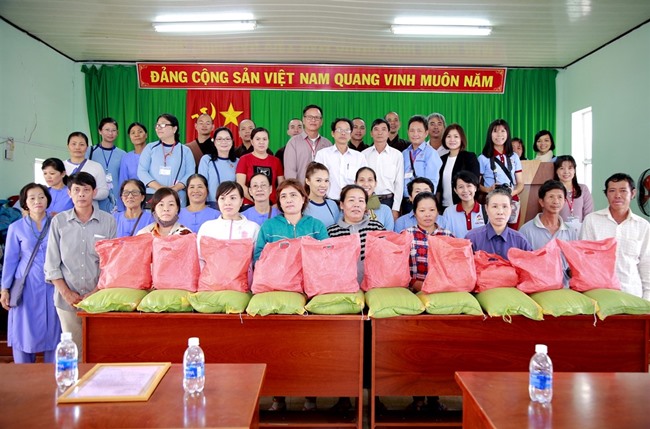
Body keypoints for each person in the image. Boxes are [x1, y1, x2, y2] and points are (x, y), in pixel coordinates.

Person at [45, 172, 117, 356]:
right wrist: (66, 293)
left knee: (99, 350)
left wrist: (96, 292)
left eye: (86, 190)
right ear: (69, 193)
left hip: (99, 298)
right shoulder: (59, 221)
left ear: (94, 192)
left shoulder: (108, 221)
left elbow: (111, 263)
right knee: (74, 351)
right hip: (67, 300)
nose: (81, 194)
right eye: (76, 190)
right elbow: (52, 263)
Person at [1, 183, 61, 363]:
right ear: (25, 202)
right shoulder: (16, 227)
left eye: (41, 197)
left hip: (53, 283)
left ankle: (52, 372)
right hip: (26, 284)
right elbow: (10, 260)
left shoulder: (57, 223)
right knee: (24, 329)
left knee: (54, 328)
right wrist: (4, 288)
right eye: (32, 198)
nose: (37, 201)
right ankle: (23, 370)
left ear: (47, 200)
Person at [580, 173, 650, 300]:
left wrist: (647, 299)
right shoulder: (592, 220)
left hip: (632, 295)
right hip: (599, 296)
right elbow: (584, 260)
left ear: (633, 193)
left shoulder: (643, 226)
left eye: (623, 190)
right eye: (612, 191)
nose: (617, 195)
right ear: (606, 194)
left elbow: (646, 264)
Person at [520, 180, 578, 285]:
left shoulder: (571, 231)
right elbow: (521, 264)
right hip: (537, 287)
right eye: (551, 197)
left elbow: (573, 264)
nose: (556, 201)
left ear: (565, 201)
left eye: (560, 197)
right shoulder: (526, 230)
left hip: (565, 289)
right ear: (541, 202)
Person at [254, 179, 328, 261]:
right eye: (283, 196)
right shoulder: (268, 226)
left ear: (303, 199)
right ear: (280, 203)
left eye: (293, 195)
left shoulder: (317, 226)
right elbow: (258, 258)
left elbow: (327, 255)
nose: (288, 200)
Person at [327, 184, 385, 284]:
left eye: (361, 201)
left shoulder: (376, 228)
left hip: (374, 284)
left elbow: (385, 257)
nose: (356, 205)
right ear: (341, 205)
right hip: (342, 285)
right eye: (351, 200)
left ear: (365, 206)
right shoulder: (331, 232)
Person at [138, 113, 195, 207]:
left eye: (163, 125)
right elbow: (142, 171)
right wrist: (159, 188)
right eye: (157, 125)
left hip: (176, 194)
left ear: (174, 129)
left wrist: (176, 188)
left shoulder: (185, 150)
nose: (159, 128)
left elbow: (190, 173)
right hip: (154, 194)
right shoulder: (150, 148)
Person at [477, 119, 524, 229]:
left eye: (503, 131)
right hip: (491, 200)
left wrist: (512, 192)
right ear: (490, 134)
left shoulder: (514, 157)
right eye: (495, 131)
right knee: (492, 231)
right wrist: (488, 189)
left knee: (512, 232)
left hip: (511, 201)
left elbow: (520, 183)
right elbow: (476, 185)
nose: (499, 135)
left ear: (508, 133)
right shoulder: (483, 158)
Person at [466, 186, 532, 260]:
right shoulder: (472, 238)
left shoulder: (520, 241)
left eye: (505, 206)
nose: (500, 212)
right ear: (486, 209)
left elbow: (530, 264)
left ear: (511, 209)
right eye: (494, 206)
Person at [406, 192, 454, 292]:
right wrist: (414, 283)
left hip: (443, 291)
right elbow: (400, 268)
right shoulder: (406, 235)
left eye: (432, 210)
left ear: (437, 212)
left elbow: (454, 267)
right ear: (414, 213)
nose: (427, 214)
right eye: (422, 210)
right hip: (413, 292)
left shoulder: (448, 236)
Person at [314, 118, 368, 201]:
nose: (343, 133)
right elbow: (316, 179)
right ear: (333, 133)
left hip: (352, 202)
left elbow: (364, 180)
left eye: (347, 130)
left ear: (350, 134)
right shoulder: (322, 154)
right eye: (339, 130)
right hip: (328, 201)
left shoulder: (359, 157)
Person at [197, 182, 260, 251]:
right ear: (217, 201)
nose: (227, 203)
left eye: (233, 198)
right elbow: (200, 255)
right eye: (222, 198)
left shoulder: (253, 228)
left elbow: (258, 256)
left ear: (241, 201)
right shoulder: (207, 228)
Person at [362, 118, 404, 220]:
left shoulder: (397, 155)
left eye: (383, 129)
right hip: (369, 200)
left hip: (388, 201)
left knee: (388, 229)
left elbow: (399, 183)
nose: (380, 132)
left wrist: (395, 208)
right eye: (376, 129)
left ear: (388, 133)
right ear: (371, 133)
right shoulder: (363, 155)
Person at [402, 115, 442, 214]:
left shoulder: (431, 153)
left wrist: (425, 200)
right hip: (407, 202)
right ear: (408, 132)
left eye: (419, 131)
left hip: (424, 202)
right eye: (412, 130)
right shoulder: (404, 153)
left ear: (426, 133)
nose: (415, 134)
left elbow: (432, 182)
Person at [436, 124, 480, 212]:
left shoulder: (469, 157)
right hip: (444, 207)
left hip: (464, 205)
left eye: (456, 136)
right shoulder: (441, 159)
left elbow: (474, 181)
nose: (452, 140)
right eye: (449, 136)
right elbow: (439, 186)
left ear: (461, 139)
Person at [236, 127, 285, 205]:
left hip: (272, 205)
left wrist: (276, 203)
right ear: (252, 142)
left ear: (268, 141)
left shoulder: (276, 161)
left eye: (264, 139)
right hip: (250, 204)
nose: (261, 142)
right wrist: (257, 201)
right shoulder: (244, 159)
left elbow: (281, 185)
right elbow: (240, 184)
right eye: (258, 139)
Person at [284, 105, 332, 183]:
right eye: (309, 117)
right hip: (300, 188)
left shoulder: (327, 144)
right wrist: (296, 189)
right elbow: (290, 171)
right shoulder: (293, 142)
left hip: (322, 189)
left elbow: (331, 170)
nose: (313, 120)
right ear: (303, 120)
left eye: (316, 117)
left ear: (321, 121)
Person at [87, 117, 127, 212]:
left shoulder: (123, 154)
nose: (110, 133)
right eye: (107, 130)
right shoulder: (90, 151)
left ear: (117, 133)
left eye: (113, 130)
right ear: (100, 131)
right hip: (96, 198)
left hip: (118, 198)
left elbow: (124, 178)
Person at [63, 131, 110, 211]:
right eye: (74, 144)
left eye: (81, 144)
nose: (77, 147)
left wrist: (87, 193)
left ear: (87, 147)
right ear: (68, 146)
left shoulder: (96, 166)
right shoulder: (61, 166)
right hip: (64, 212)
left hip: (89, 212)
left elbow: (104, 192)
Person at [198, 127, 238, 208]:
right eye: (219, 139)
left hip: (231, 205)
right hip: (210, 205)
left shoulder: (238, 161)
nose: (224, 142)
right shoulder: (206, 160)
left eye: (227, 139)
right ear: (214, 142)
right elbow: (201, 184)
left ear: (232, 142)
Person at [442, 171, 486, 239]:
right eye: (461, 187)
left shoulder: (486, 210)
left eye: (469, 186)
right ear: (455, 190)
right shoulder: (448, 212)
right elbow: (446, 238)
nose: (465, 190)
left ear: (475, 188)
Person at [553, 155, 594, 228]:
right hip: (559, 231)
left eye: (570, 168)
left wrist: (584, 230)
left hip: (581, 231)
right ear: (556, 171)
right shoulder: (552, 190)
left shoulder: (583, 189)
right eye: (562, 168)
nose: (566, 172)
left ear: (574, 170)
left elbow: (589, 214)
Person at [355, 167, 394, 231]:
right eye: (361, 180)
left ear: (375, 183)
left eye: (370, 180)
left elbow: (389, 234)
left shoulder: (385, 210)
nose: (366, 184)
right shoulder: (348, 208)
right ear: (355, 183)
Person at [303, 162, 340, 227]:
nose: (323, 185)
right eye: (318, 180)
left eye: (326, 181)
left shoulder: (332, 205)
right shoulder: (302, 205)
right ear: (307, 181)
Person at [118, 122, 149, 192]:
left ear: (146, 135)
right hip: (133, 195)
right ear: (129, 137)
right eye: (133, 133)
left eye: (140, 132)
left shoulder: (154, 154)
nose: (137, 135)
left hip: (153, 194)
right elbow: (123, 180)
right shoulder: (126, 158)